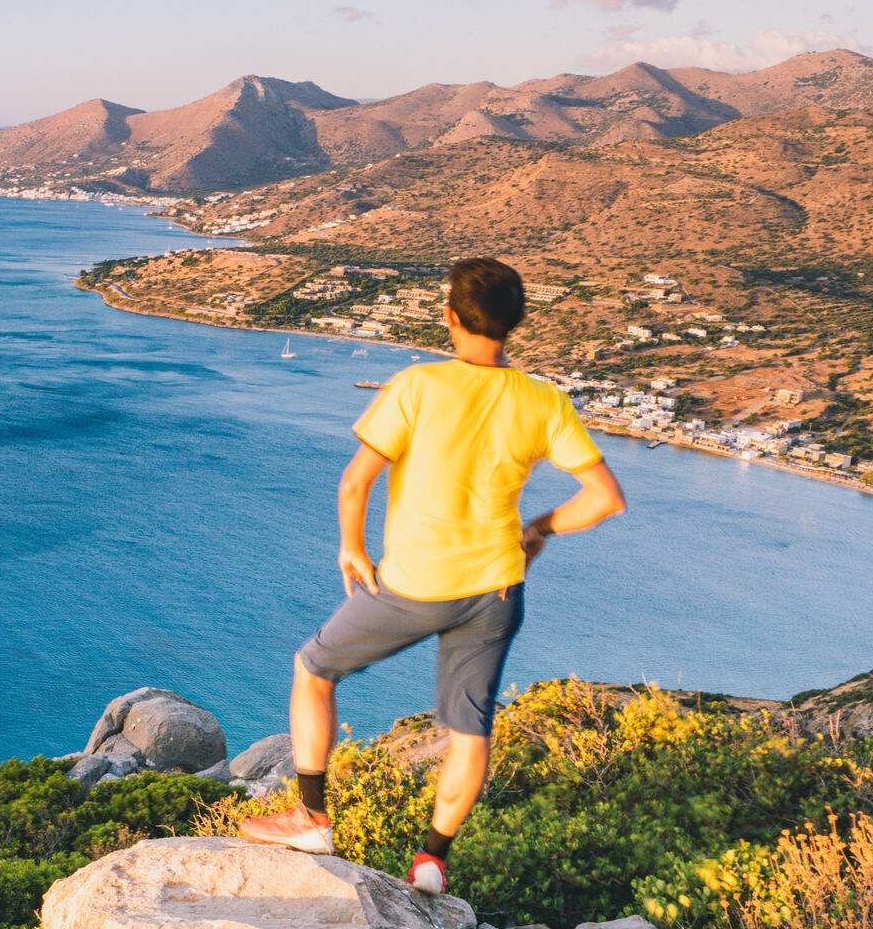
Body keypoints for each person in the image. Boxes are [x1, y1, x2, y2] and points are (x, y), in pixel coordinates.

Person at [239, 256, 625, 895]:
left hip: (415, 585)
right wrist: (538, 531)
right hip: (496, 591)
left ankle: (310, 816)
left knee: (314, 669)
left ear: (448, 316)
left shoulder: (418, 386)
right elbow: (604, 497)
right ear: (515, 323)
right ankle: (431, 862)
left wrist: (351, 551)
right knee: (468, 730)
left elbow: (356, 480)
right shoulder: (543, 399)